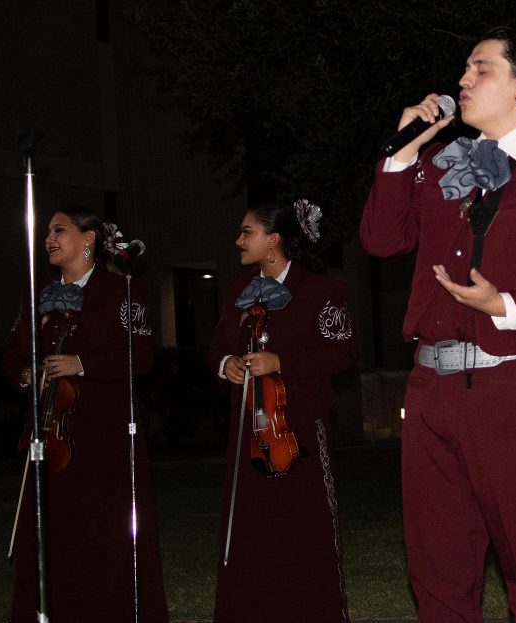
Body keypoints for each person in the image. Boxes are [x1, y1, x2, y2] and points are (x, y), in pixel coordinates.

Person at [361, 27, 516, 623]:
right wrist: (401, 153)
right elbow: (380, 238)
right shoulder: (441, 166)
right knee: (438, 572)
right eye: (464, 69)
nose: (462, 80)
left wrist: (505, 305)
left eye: (481, 68)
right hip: (429, 392)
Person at [2, 207, 168, 622]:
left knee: (102, 534)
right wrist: (27, 373)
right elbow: (12, 355)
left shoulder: (123, 291)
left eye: (59, 230)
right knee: (53, 533)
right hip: (49, 435)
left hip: (105, 437)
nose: (49, 239)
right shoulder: (37, 293)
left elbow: (143, 356)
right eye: (47, 232)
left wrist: (83, 364)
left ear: (89, 239)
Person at [208, 200, 357, 623]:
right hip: (246, 432)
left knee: (303, 524)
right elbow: (218, 348)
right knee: (253, 528)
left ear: (274, 239)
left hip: (300, 428)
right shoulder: (236, 292)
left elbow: (344, 352)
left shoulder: (322, 290)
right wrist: (227, 365)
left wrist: (282, 362)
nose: (238, 241)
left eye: (246, 232)